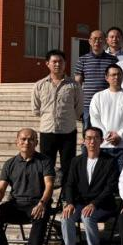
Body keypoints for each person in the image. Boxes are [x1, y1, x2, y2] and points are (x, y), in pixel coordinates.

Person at [55, 127, 119, 245]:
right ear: (84, 141)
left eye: (96, 138)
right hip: (80, 203)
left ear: (101, 141)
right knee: (66, 216)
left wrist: (94, 204)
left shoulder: (110, 161)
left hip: (103, 204)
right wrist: (69, 203)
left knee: (87, 216)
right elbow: (69, 184)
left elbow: (111, 187)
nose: (92, 141)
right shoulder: (76, 161)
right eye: (89, 138)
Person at [31, 49, 82, 182]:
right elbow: (36, 109)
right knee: (46, 167)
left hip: (68, 132)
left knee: (68, 166)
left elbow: (78, 108)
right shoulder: (40, 85)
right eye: (54, 62)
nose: (57, 64)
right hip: (47, 131)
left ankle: (67, 193)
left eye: (60, 61)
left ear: (65, 63)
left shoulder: (74, 85)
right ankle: (46, 194)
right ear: (47, 63)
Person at [89, 64, 123, 171]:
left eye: (119, 74)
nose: (116, 77)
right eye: (113, 75)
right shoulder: (98, 96)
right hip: (103, 145)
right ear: (106, 77)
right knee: (104, 176)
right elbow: (94, 118)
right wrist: (107, 135)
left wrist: (120, 135)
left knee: (122, 177)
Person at [74, 30, 118, 131]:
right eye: (94, 39)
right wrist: (77, 104)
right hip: (87, 104)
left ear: (105, 41)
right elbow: (77, 84)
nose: (97, 41)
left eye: (100, 39)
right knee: (88, 132)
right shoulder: (82, 60)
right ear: (89, 41)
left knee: (106, 131)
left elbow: (117, 81)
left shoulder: (113, 60)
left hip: (107, 103)